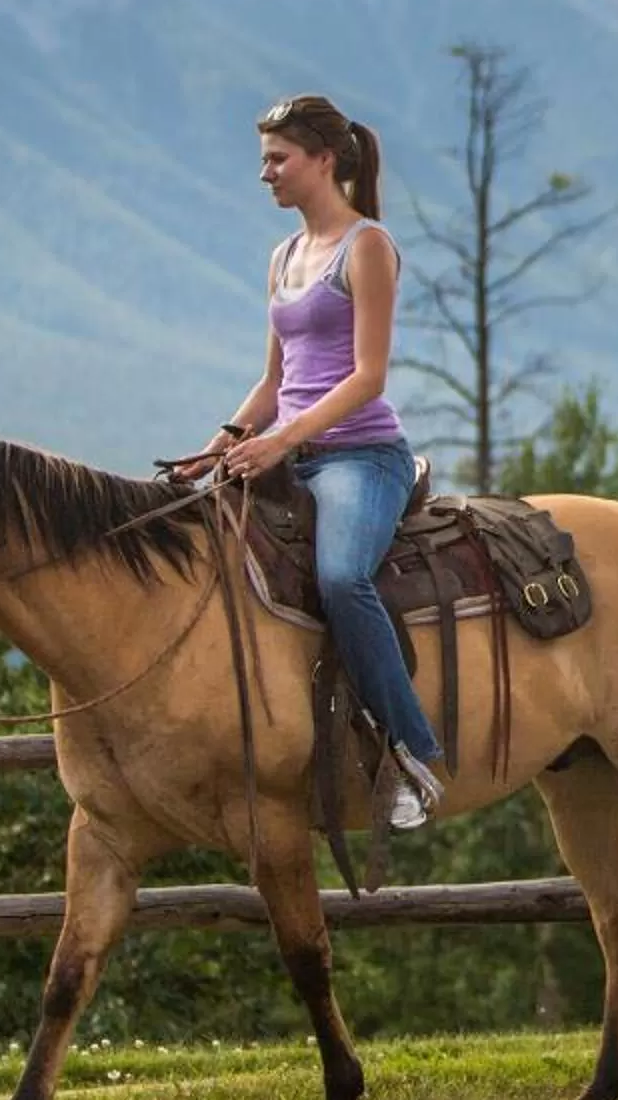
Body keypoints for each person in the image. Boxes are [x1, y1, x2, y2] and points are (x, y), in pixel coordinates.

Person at [179, 94, 444, 829]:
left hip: (362, 456)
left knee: (340, 577)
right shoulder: (284, 257)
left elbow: (368, 377)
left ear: (323, 160)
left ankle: (410, 752)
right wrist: (219, 444)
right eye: (265, 159)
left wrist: (284, 440)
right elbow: (274, 382)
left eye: (277, 159)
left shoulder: (367, 246)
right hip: (286, 453)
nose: (265, 173)